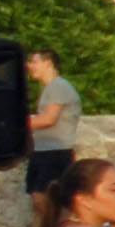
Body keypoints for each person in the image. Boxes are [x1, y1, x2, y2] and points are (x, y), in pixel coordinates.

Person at [18, 47, 81, 212]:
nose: (29, 66)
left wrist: (16, 124)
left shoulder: (58, 86)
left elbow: (48, 119)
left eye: (34, 62)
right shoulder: (49, 88)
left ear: (48, 63)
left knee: (45, 200)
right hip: (43, 151)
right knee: (38, 199)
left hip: (55, 152)